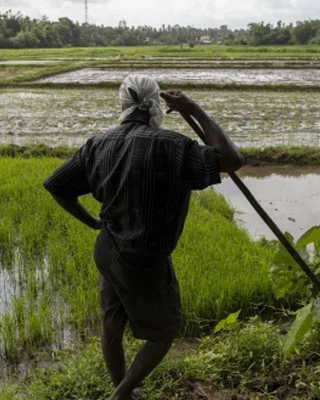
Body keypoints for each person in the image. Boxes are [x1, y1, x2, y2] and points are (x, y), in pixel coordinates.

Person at [43, 75, 243, 400]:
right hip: (143, 257)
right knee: (166, 330)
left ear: (122, 104)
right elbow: (232, 159)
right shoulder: (173, 146)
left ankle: (121, 388)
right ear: (154, 106)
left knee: (113, 320)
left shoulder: (99, 143)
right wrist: (194, 108)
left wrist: (93, 222)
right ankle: (121, 395)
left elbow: (57, 186)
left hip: (107, 249)